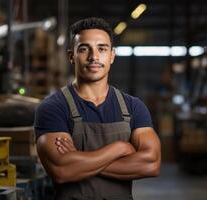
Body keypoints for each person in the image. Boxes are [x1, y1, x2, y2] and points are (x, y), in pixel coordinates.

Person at [34, 17, 161, 200]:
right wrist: (119, 148)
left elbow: (151, 163)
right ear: (71, 56)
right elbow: (62, 170)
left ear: (112, 56)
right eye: (84, 49)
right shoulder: (53, 108)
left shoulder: (133, 107)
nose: (94, 57)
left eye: (102, 49)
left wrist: (79, 159)